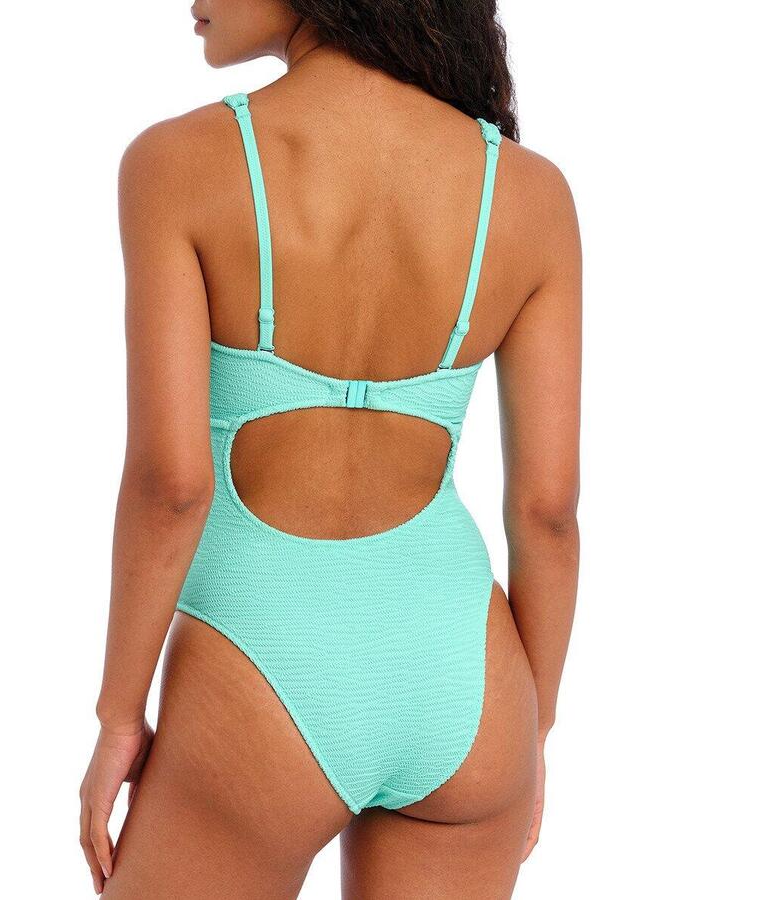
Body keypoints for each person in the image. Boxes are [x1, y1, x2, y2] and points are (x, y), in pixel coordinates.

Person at [79, 1, 581, 896]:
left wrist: (120, 713)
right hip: (464, 683)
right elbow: (546, 514)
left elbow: (172, 488)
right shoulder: (531, 194)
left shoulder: (178, 164)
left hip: (256, 678)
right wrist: (529, 733)